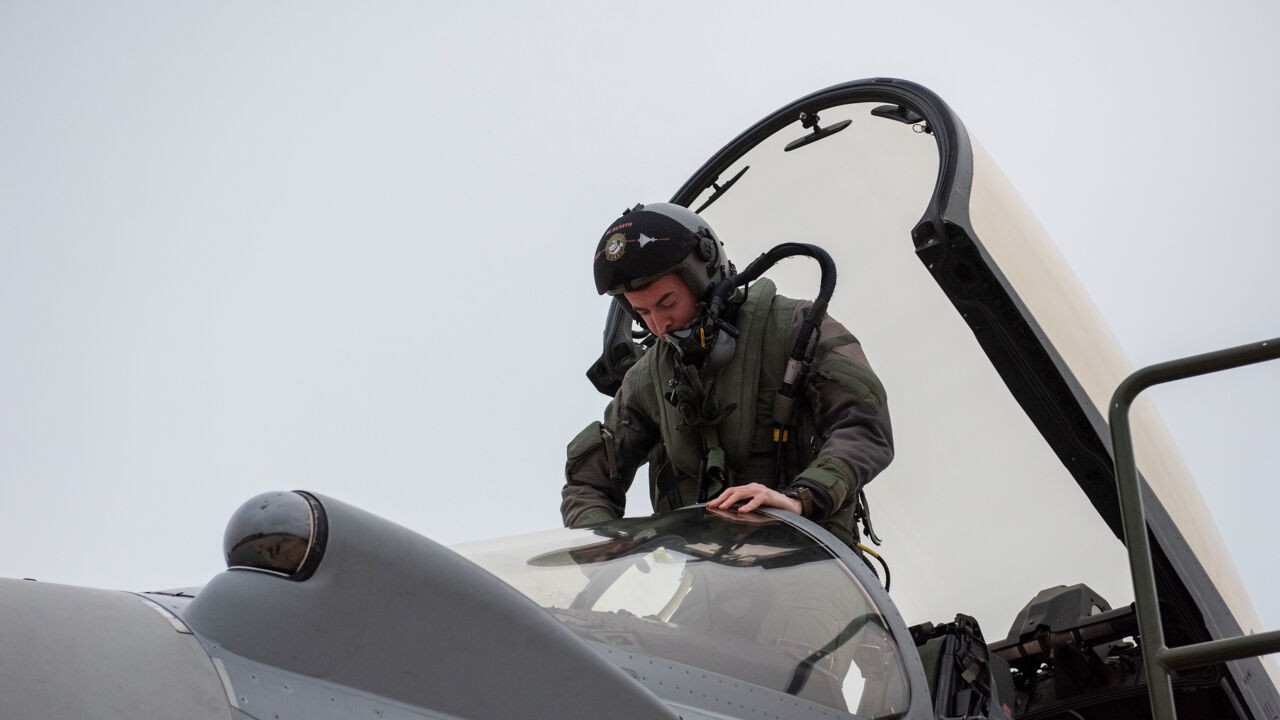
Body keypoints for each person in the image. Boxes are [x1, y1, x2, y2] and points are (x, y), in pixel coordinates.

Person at [562, 203, 893, 547]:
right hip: (707, 570)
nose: (660, 325)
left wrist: (801, 498)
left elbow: (864, 426)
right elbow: (588, 481)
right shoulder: (649, 377)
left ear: (701, 278)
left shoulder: (795, 330)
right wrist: (603, 543)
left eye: (667, 302)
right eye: (643, 312)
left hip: (811, 556)